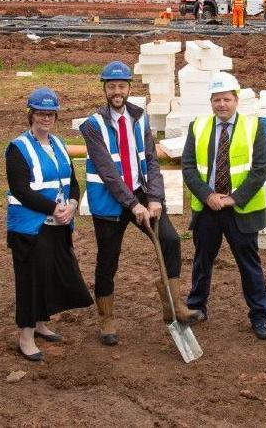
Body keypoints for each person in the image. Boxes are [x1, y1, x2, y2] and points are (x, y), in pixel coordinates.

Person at [80, 61, 201, 346]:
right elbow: (108, 172)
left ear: (130, 88)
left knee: (170, 240)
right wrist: (134, 205)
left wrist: (155, 198)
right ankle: (106, 318)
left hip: (141, 192)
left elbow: (151, 160)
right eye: (111, 87)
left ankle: (172, 305)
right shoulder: (92, 125)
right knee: (108, 261)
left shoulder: (140, 118)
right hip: (110, 203)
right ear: (105, 89)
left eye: (122, 86)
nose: (117, 92)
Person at [5, 87, 92, 362]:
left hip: (58, 224)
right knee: (30, 280)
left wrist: (74, 206)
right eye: (41, 113)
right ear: (31, 115)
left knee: (49, 276)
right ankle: (26, 336)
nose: (46, 119)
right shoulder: (18, 148)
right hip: (29, 226)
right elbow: (20, 189)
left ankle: (41, 323)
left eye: (50, 114)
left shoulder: (58, 145)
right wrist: (54, 208)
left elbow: (73, 183)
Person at [183, 72, 266, 339]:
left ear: (236, 100)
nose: (222, 105)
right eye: (217, 100)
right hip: (208, 208)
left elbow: (260, 169)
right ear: (211, 102)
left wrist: (234, 198)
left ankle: (259, 315)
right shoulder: (198, 126)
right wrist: (208, 195)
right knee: (202, 261)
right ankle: (197, 306)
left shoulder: (254, 127)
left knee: (249, 264)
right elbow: (188, 167)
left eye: (227, 99)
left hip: (240, 210)